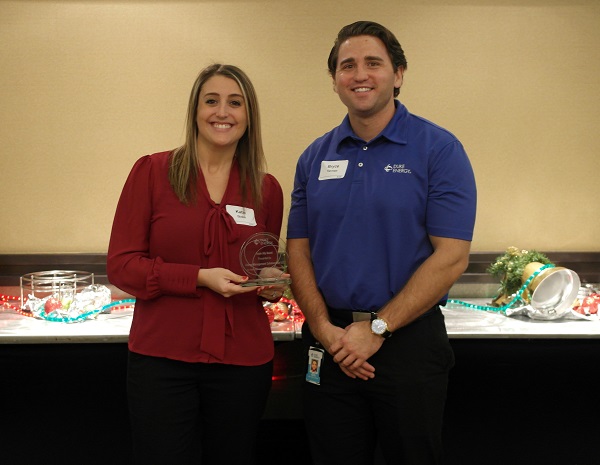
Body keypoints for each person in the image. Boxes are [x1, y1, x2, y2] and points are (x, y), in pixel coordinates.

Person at [286, 21, 477, 465]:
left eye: (374, 63)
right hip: (329, 343)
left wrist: (376, 329)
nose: (360, 75)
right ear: (334, 80)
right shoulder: (314, 157)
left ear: (399, 73)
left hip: (407, 345)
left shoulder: (439, 150)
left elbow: (452, 257)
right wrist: (323, 328)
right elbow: (298, 249)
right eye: (347, 65)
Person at [107, 64, 287, 465]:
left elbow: (260, 264)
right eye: (212, 101)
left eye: (235, 103)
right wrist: (198, 278)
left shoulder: (267, 189)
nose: (222, 112)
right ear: (195, 111)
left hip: (243, 361)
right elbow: (122, 267)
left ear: (248, 116)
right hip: (162, 360)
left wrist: (270, 281)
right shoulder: (153, 172)